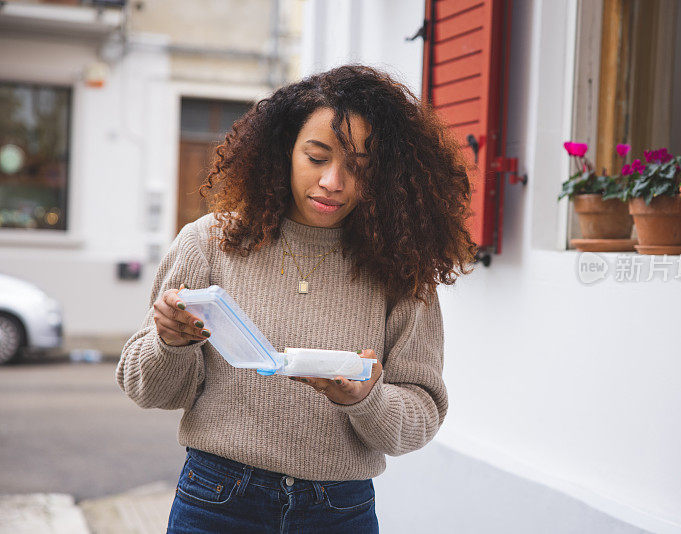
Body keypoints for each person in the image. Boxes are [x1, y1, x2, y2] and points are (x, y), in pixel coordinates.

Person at [116, 65, 477, 533]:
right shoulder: (208, 242)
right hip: (217, 500)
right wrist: (169, 342)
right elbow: (147, 390)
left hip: (338, 510)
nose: (333, 181)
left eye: (359, 167)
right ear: (284, 151)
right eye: (317, 156)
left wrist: (366, 399)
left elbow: (420, 416)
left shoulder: (402, 270)